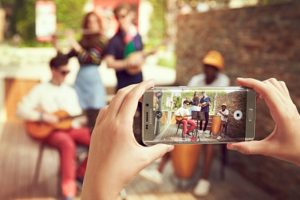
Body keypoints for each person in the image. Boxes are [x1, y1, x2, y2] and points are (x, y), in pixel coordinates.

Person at [81, 78, 300, 200]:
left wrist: (94, 193)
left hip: (204, 120)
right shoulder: (197, 87)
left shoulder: (216, 92)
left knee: (201, 139)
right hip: (193, 118)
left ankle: (195, 177)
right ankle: (165, 168)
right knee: (184, 131)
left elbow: (205, 108)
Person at [17, 54, 90, 200]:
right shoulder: (40, 89)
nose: (66, 76)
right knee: (67, 144)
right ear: (53, 70)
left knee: (96, 138)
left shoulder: (70, 91)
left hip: (69, 128)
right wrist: (42, 117)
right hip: (49, 132)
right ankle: (68, 192)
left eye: (68, 72)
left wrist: (79, 120)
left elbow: (75, 116)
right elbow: (20, 110)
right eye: (63, 72)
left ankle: (80, 174)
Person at [188, 50, 230, 196]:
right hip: (196, 116)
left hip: (212, 119)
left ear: (218, 70)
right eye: (206, 66)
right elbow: (189, 100)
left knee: (210, 140)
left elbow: (218, 103)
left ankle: (204, 179)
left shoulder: (223, 81)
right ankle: (165, 170)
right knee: (177, 129)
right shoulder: (196, 80)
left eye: (212, 67)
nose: (208, 69)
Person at [65, 11, 107, 131]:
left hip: (93, 80)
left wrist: (73, 43)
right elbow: (65, 58)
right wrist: (55, 43)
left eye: (94, 21)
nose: (91, 25)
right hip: (81, 80)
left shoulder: (102, 40)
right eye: (89, 22)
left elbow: (91, 58)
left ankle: (92, 146)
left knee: (94, 115)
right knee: (80, 113)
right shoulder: (82, 41)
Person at [104, 3, 145, 91]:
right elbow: (109, 63)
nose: (120, 20)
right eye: (117, 17)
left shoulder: (137, 36)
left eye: (123, 16)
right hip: (123, 86)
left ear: (131, 15)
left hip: (139, 83)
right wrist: (127, 63)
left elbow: (141, 55)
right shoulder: (114, 40)